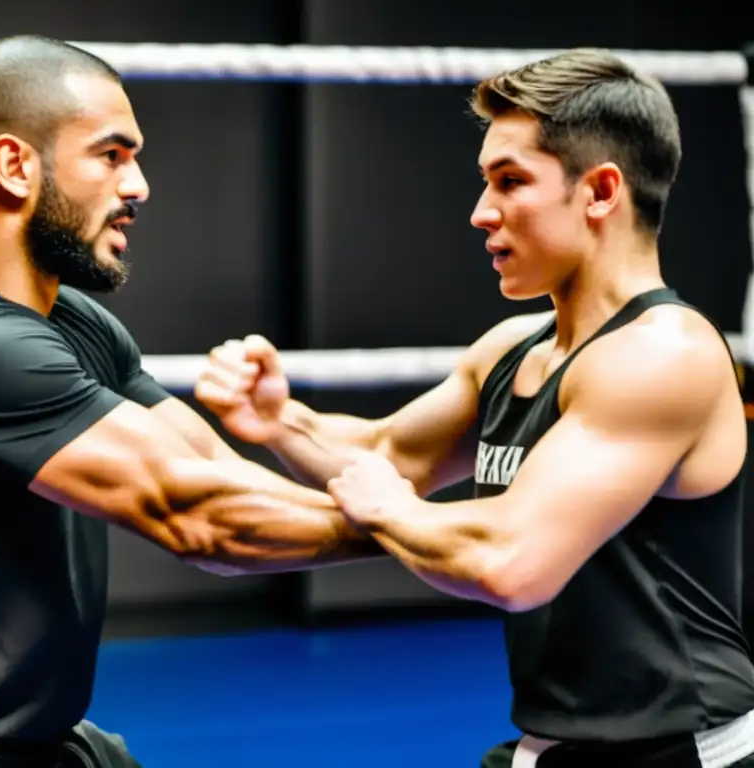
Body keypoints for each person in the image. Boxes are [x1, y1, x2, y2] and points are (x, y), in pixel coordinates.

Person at [0, 34, 386, 768]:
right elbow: (199, 517)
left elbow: (210, 468)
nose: (138, 184)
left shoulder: (70, 320)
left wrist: (419, 525)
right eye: (112, 155)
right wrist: (434, 539)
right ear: (16, 165)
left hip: (34, 738)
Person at [196, 48, 754, 766]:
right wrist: (282, 420)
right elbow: (390, 457)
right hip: (558, 744)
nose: (481, 212)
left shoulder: (664, 353)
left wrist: (390, 509)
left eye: (510, 181)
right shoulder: (514, 349)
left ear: (601, 191)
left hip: (682, 750)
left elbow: (513, 563)